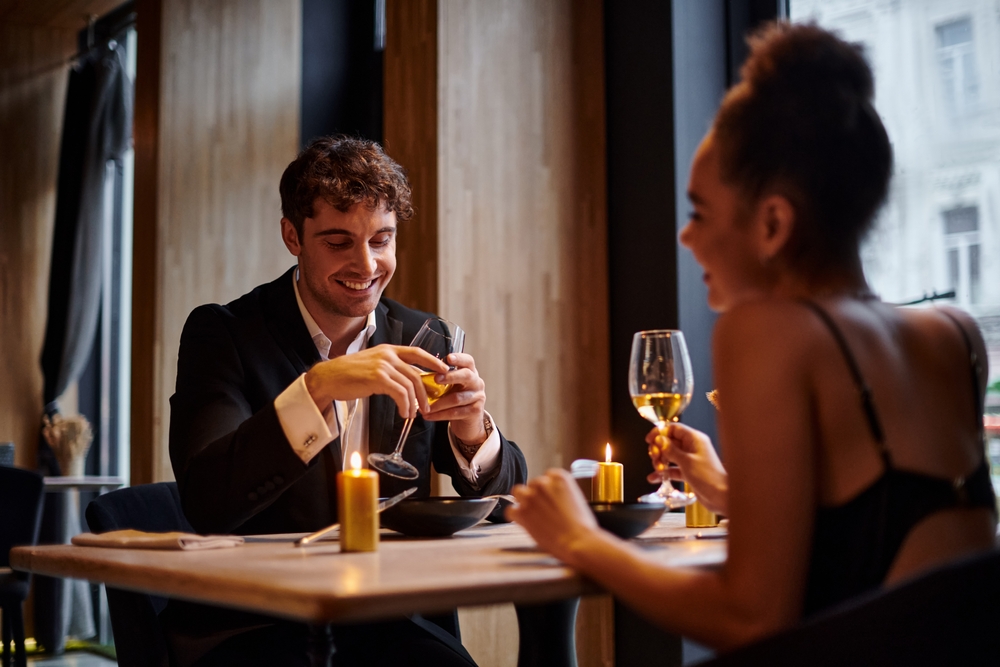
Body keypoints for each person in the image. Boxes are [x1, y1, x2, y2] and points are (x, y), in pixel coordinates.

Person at [508, 23, 996, 651]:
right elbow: (879, 547)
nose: (686, 238)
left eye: (699, 213)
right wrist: (724, 492)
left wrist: (582, 540)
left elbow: (751, 618)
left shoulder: (767, 333)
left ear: (772, 225)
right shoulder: (954, 337)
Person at [164, 135, 527, 666]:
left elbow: (511, 498)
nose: (366, 263)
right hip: (258, 620)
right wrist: (319, 388)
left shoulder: (426, 335)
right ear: (293, 236)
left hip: (391, 615)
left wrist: (473, 431)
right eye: (339, 242)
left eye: (382, 239)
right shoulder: (223, 334)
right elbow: (207, 496)